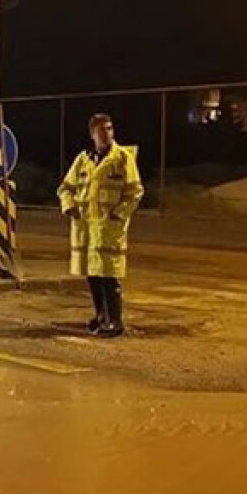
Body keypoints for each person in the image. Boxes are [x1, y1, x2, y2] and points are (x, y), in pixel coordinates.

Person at [57, 113, 144, 337]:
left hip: (108, 229)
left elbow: (135, 192)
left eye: (110, 128)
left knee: (109, 276)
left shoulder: (123, 158)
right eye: (102, 129)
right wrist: (70, 207)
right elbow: (65, 188)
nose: (107, 133)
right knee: (93, 275)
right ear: (92, 134)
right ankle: (101, 317)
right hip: (87, 229)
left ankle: (115, 321)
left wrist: (119, 213)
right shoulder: (83, 160)